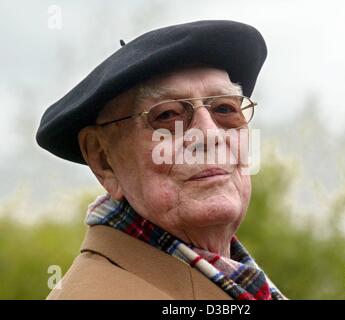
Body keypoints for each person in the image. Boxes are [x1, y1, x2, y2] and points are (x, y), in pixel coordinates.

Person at [36, 20, 286, 300]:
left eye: (225, 109)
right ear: (103, 159)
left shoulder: (236, 282)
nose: (210, 135)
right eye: (167, 115)